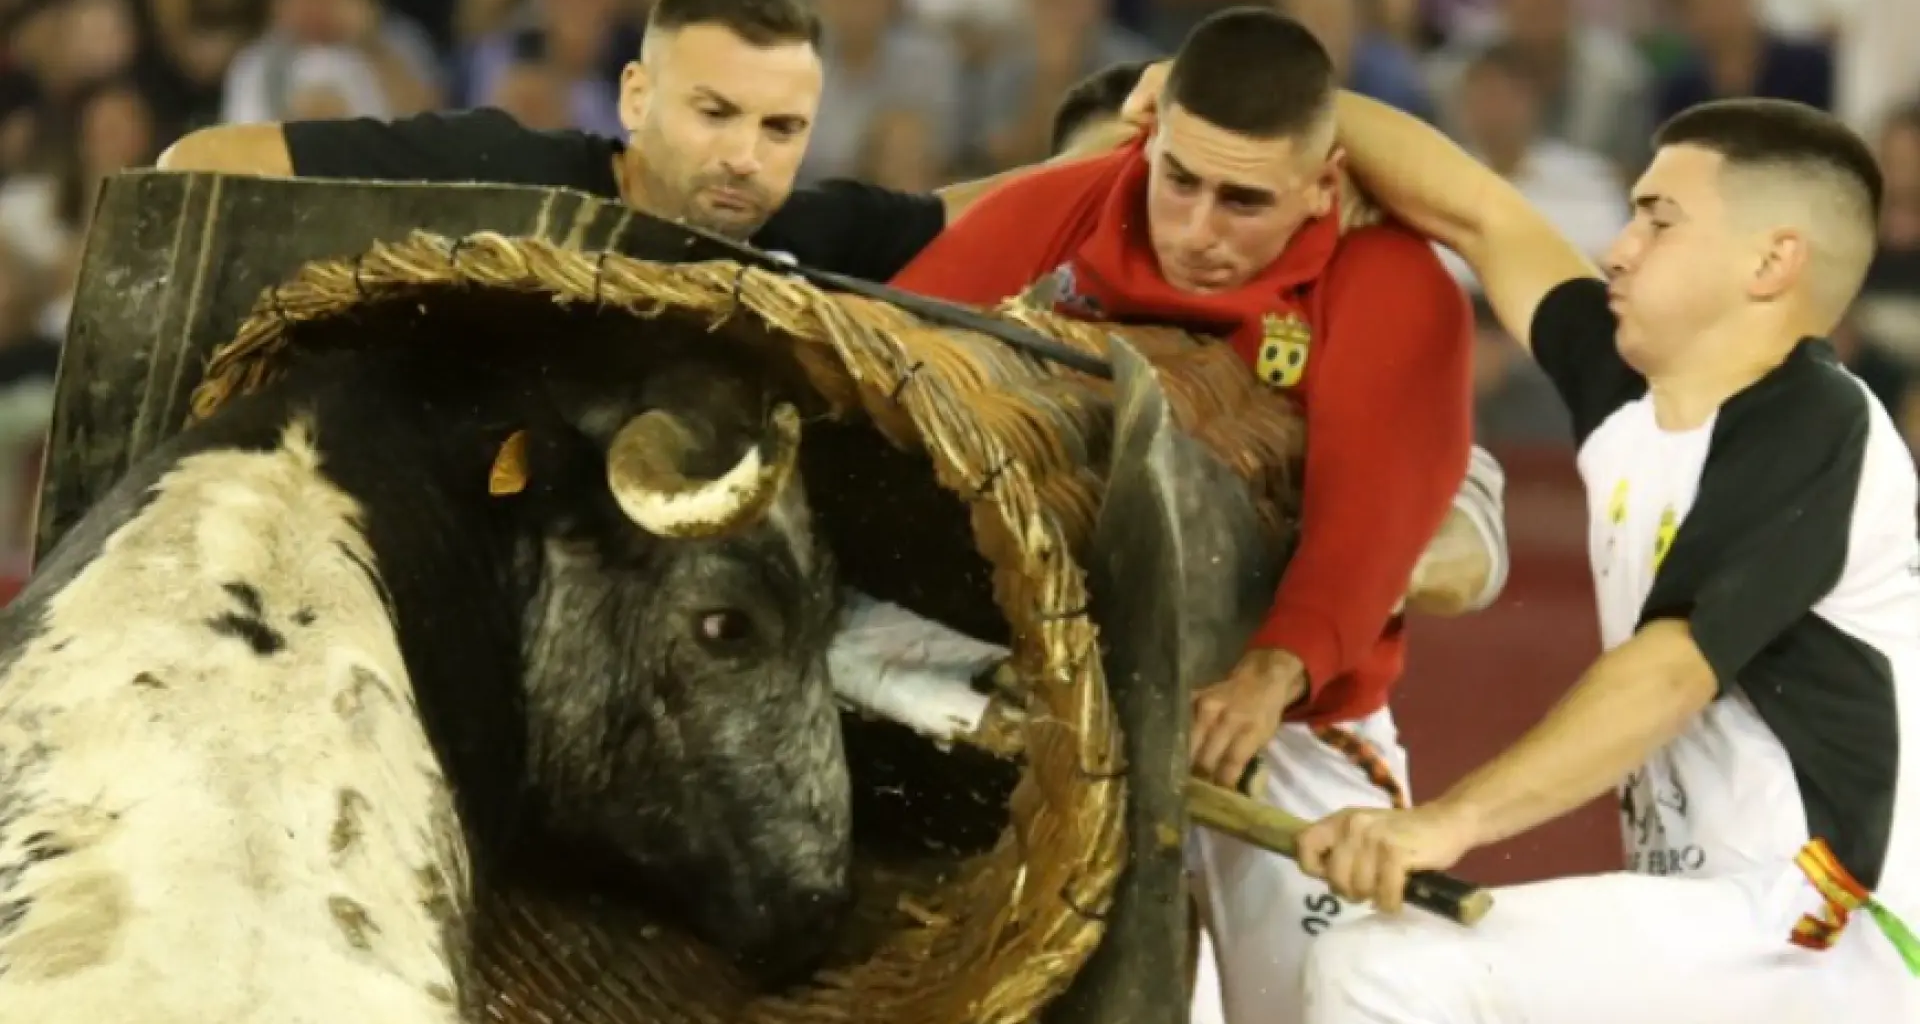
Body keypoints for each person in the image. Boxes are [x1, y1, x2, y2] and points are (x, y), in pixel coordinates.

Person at [1254, 89, 1920, 1022]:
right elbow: (1480, 215)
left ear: (1772, 261)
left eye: (1659, 220)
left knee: (1381, 969)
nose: (1617, 247)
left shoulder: (1814, 419)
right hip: (1729, 933)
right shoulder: (1631, 395)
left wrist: (1447, 821)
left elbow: (1669, 671)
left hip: (1829, 930)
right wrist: (1230, 93)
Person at [890, 12, 1479, 1023]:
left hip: (1280, 728)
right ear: (1152, 144)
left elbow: (1370, 525)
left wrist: (1273, 672)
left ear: (1324, 184)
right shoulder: (1062, 209)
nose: (1199, 230)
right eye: (1179, 181)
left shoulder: (1394, 283)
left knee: (1344, 994)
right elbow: (880, 364)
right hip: (1037, 700)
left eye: (1245, 201)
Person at [157, 0, 1084, 283]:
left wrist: (1131, 141)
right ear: (636, 96)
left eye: (781, 129)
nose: (745, 156)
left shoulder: (807, 237)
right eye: (714, 113)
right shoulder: (503, 167)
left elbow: (985, 211)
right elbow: (197, 167)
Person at [1047, 57, 1510, 623]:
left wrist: (1365, 572)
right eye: (1097, 187)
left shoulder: (1333, 339)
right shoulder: (1012, 329)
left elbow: (1468, 539)